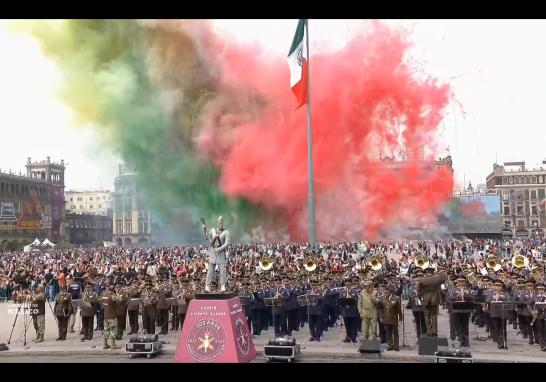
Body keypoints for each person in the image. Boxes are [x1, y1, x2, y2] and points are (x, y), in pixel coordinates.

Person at [203, 216, 231, 293]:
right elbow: (206, 237)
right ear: (217, 222)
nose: (220, 223)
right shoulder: (212, 230)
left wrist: (219, 249)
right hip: (212, 252)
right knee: (210, 271)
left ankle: (222, 285)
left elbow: (227, 243)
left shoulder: (226, 232)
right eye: (219, 222)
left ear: (223, 223)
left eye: (221, 222)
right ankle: (207, 286)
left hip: (220, 253)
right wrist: (204, 230)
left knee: (222, 270)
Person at [417, 267, 447, 337]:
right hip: (435, 298)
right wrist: (438, 273)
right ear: (432, 272)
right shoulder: (437, 279)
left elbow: (419, 291)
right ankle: (434, 331)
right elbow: (444, 278)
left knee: (426, 316)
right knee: (434, 316)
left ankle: (429, 331)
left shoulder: (421, 279)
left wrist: (420, 297)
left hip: (425, 299)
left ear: (426, 272)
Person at [447, 276, 474, 347]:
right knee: (458, 326)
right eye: (460, 281)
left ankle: (466, 340)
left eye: (462, 281)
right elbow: (450, 297)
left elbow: (472, 297)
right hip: (457, 309)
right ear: (458, 282)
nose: (461, 283)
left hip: (465, 309)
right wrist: (457, 296)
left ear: (465, 282)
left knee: (465, 325)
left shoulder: (468, 289)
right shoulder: (454, 289)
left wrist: (466, 295)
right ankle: (462, 339)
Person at [378, 285, 402, 351]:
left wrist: (400, 318)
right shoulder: (382, 298)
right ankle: (390, 345)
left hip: (393, 318)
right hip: (385, 318)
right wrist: (380, 317)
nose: (385, 294)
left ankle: (396, 345)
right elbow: (380, 309)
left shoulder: (396, 299)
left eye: (386, 292)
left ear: (390, 293)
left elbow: (399, 310)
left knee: (395, 333)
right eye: (384, 292)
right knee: (388, 333)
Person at [101, 284, 121, 350]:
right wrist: (117, 293)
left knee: (106, 330)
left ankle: (105, 344)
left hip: (105, 315)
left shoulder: (104, 296)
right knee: (113, 330)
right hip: (112, 315)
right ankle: (113, 345)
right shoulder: (112, 296)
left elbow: (102, 304)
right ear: (113, 290)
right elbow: (119, 300)